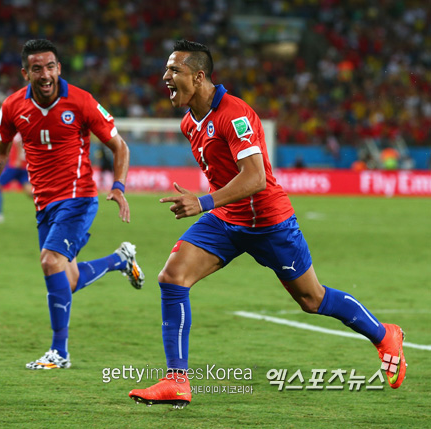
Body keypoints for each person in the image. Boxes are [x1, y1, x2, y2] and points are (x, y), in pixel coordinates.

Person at [129, 40, 406, 408]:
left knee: (312, 299)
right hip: (227, 220)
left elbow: (256, 177)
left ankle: (384, 334)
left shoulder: (235, 114)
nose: (165, 77)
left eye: (173, 70)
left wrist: (203, 202)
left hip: (270, 222)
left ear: (198, 76)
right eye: (166, 70)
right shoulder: (188, 122)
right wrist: (211, 205)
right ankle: (177, 381)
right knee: (172, 277)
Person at [0, 39, 145, 369]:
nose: (45, 74)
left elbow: (120, 147)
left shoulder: (82, 101)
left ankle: (59, 352)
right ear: (25, 73)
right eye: (37, 68)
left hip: (78, 198)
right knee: (69, 279)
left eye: (50, 67)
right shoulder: (12, 107)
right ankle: (120, 259)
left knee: (50, 262)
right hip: (44, 203)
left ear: (59, 68)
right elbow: (1, 152)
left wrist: (118, 187)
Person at [0, 132, 32, 224]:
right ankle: (50, 206)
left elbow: (19, 142)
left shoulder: (18, 133)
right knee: (30, 192)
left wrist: (18, 159)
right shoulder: (25, 131)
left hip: (15, 166)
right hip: (23, 166)